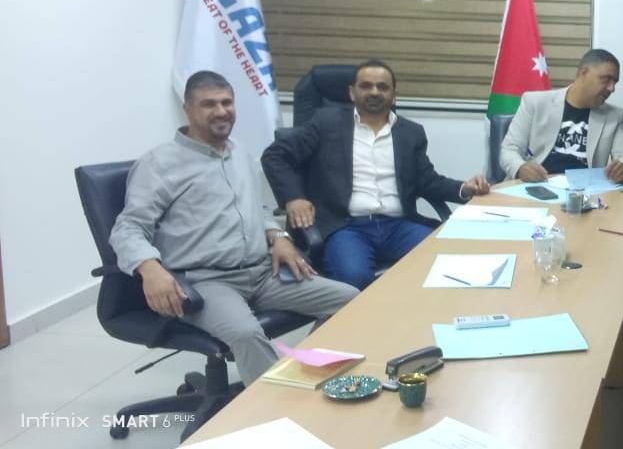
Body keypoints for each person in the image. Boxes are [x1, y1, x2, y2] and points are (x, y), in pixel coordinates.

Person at [109, 71, 358, 386]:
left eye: (227, 102)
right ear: (188, 110)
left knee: (351, 299)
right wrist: (149, 268)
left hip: (262, 273)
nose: (221, 111)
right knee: (246, 333)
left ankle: (306, 373)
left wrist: (279, 236)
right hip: (205, 281)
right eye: (209, 104)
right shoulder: (159, 164)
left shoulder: (239, 151)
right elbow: (127, 228)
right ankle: (275, 406)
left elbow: (256, 210)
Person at [262, 60, 490, 290]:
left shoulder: (410, 132)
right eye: (366, 86)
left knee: (448, 262)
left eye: (382, 87)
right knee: (355, 278)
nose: (374, 92)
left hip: (399, 226)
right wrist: (294, 198)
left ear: (394, 95)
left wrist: (464, 188)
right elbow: (275, 156)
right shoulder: (326, 123)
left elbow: (427, 180)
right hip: (347, 227)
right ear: (352, 93)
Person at [500, 48, 623, 183]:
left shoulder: (614, 116)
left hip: (586, 190)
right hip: (537, 185)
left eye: (615, 82)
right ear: (584, 73)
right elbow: (509, 149)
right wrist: (521, 168)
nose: (612, 88)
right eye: (606, 79)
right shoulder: (535, 103)